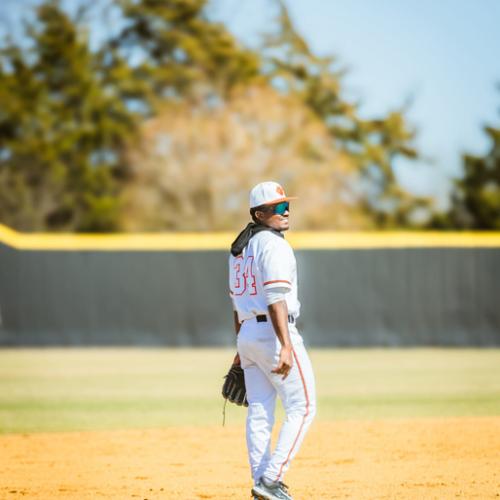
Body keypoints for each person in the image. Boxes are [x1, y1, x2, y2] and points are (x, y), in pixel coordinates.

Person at [228, 181, 316, 500]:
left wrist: (240, 348)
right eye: (278, 207)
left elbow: (236, 303)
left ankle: (259, 482)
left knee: (261, 411)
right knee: (303, 407)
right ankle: (271, 479)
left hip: (249, 333)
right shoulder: (273, 245)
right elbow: (275, 297)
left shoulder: (238, 249)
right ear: (259, 213)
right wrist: (286, 345)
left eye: (286, 205)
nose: (286, 210)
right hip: (273, 333)